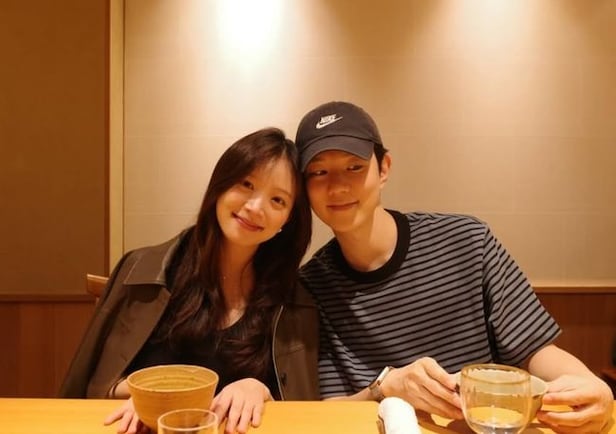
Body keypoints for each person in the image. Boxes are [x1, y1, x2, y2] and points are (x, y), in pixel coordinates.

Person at [295, 101, 614, 433]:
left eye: (354, 167)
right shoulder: (312, 286)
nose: (338, 187)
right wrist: (385, 388)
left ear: (384, 168)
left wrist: (589, 385)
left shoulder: (467, 241)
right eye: (318, 172)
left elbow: (535, 349)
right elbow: (329, 407)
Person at [60, 127, 319, 434]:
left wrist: (259, 389)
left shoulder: (292, 301)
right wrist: (149, 397)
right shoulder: (142, 271)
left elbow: (300, 410)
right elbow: (96, 386)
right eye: (246, 184)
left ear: (287, 220)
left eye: (277, 200)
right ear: (220, 186)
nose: (255, 207)